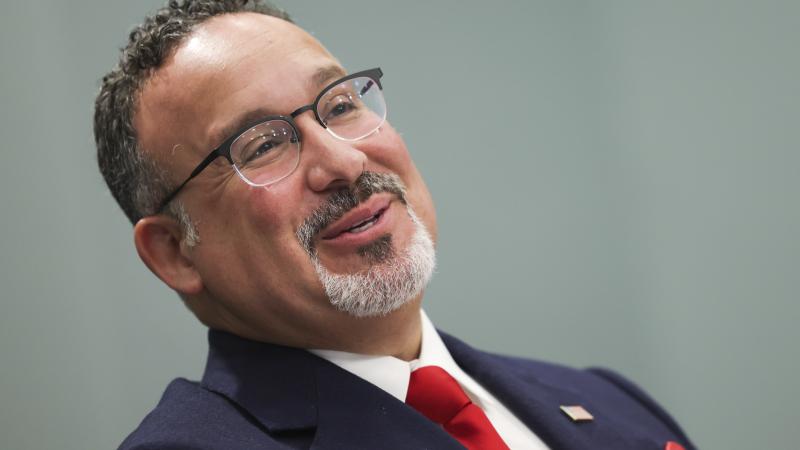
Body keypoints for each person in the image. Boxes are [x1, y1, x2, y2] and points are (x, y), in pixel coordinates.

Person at [94, 1, 696, 449]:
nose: (345, 162)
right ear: (175, 252)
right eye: (263, 146)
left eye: (339, 105)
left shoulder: (608, 400)